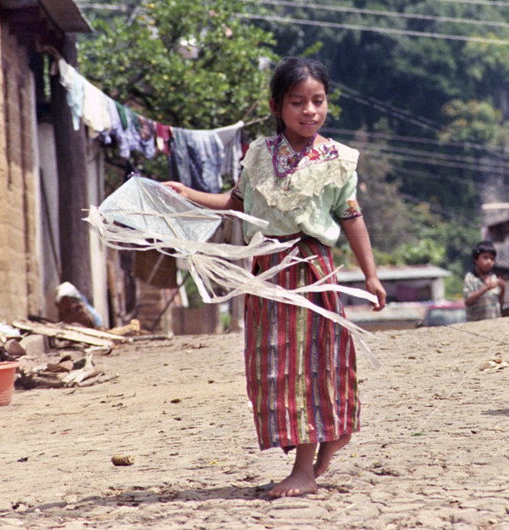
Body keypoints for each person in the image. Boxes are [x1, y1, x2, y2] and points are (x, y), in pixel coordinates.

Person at [165, 57, 386, 498]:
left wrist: (372, 276)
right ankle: (327, 441)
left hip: (309, 273)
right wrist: (187, 193)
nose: (309, 111)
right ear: (277, 106)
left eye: (318, 101)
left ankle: (306, 469)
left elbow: (352, 217)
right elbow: (236, 201)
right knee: (272, 366)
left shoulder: (337, 160)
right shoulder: (260, 154)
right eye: (298, 102)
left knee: (305, 364)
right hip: (266, 274)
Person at [463, 240, 505, 321]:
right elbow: (468, 301)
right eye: (485, 258)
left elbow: (500, 303)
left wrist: (503, 288)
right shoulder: (471, 278)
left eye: (492, 259)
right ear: (475, 260)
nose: (489, 262)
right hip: (476, 324)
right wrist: (485, 288)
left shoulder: (494, 278)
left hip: (494, 322)